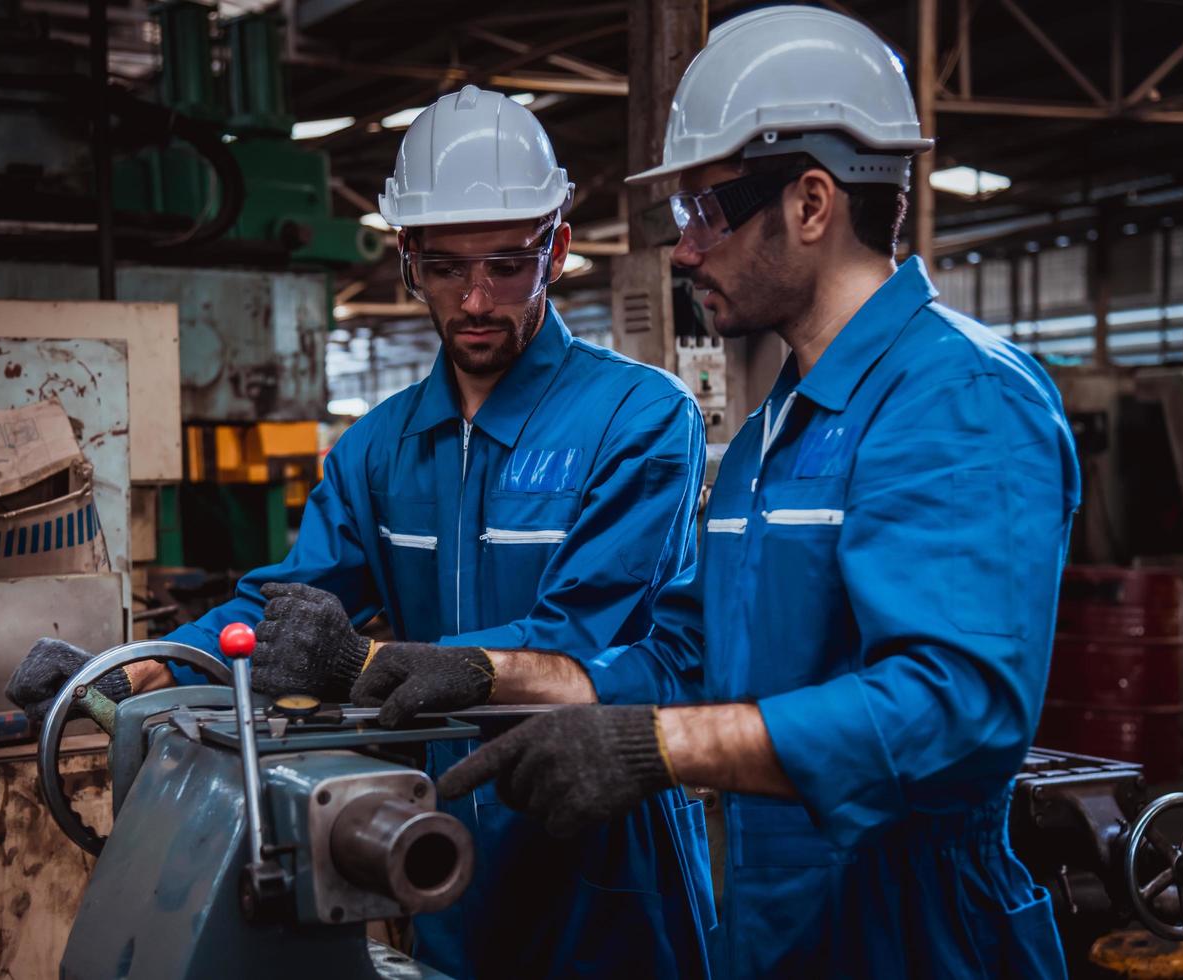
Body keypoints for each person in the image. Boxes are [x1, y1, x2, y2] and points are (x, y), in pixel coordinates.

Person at [260, 8, 1081, 977]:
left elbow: (958, 708)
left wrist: (658, 747)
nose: (684, 249)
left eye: (704, 211)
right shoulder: (786, 419)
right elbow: (690, 654)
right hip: (784, 913)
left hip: (918, 925)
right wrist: (489, 674)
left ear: (812, 203)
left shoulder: (958, 395)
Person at [5, 84, 714, 979]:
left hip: (602, 853)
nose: (477, 299)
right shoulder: (377, 448)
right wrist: (127, 668)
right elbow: (287, 608)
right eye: (446, 268)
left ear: (558, 249)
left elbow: (581, 645)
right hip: (432, 838)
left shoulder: (640, 418)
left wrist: (372, 665)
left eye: (505, 262)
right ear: (407, 259)